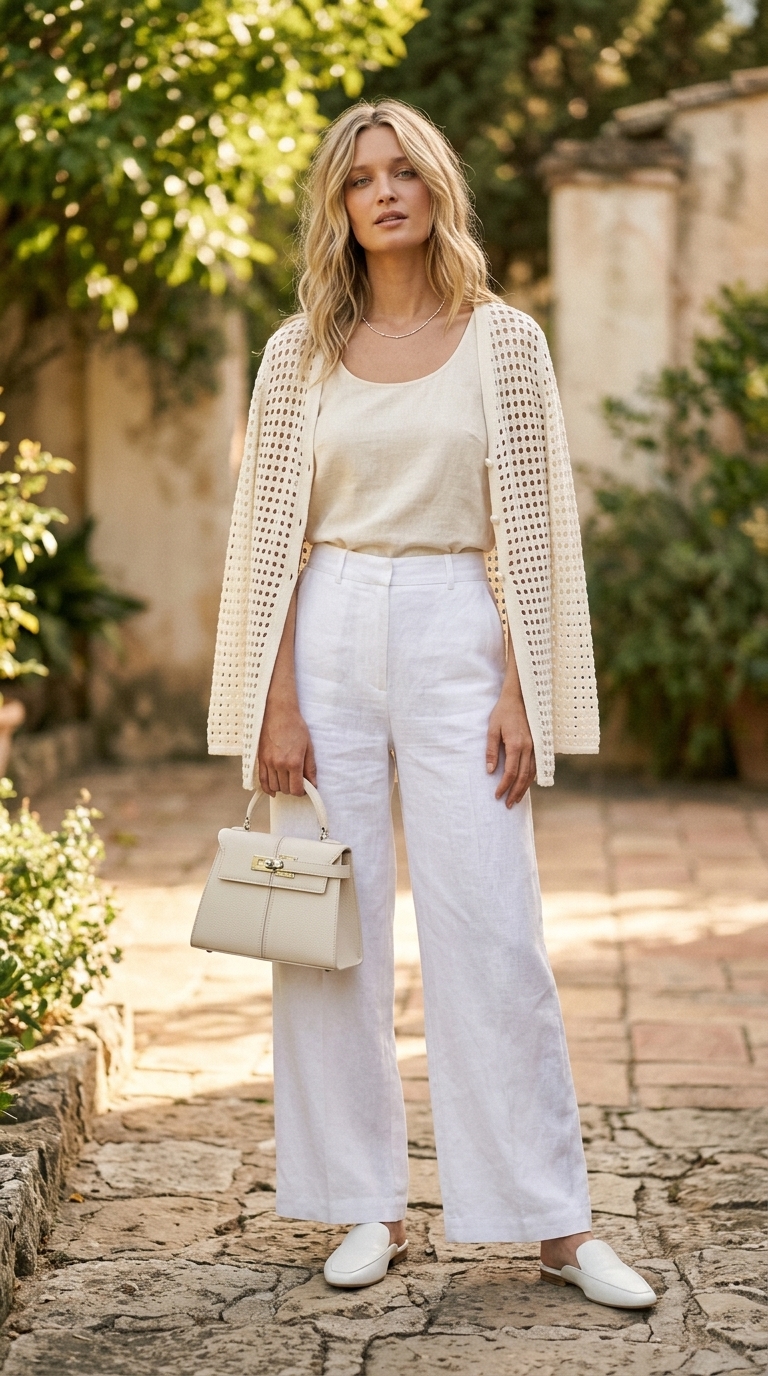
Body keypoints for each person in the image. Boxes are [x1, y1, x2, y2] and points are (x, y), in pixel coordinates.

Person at [208, 98, 656, 1312]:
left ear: (437, 187)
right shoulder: (297, 351)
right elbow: (268, 541)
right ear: (341, 205)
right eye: (363, 178)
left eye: (405, 170)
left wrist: (520, 684)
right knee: (326, 927)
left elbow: (535, 526)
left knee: (494, 926)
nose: (386, 191)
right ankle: (366, 1202)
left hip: (460, 620)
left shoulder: (505, 342)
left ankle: (555, 1221)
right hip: (330, 621)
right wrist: (275, 698)